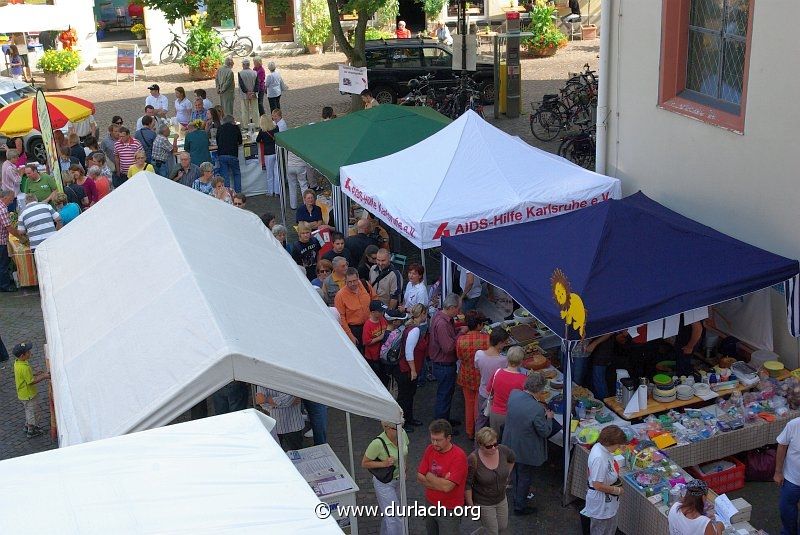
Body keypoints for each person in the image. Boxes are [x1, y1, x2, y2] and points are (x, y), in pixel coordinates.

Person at [502, 372, 554, 516]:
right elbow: (545, 432)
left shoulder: (514, 394)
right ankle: (520, 506)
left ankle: (516, 496)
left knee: (516, 473)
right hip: (525, 448)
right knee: (524, 476)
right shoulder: (537, 409)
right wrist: (548, 418)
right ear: (539, 390)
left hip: (510, 441)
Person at [417, 419, 468, 534]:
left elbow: (447, 487)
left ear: (448, 438)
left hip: (449, 509)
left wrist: (429, 476)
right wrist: (442, 481)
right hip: (430, 503)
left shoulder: (459, 456)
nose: (434, 443)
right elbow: (419, 477)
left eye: (438, 440)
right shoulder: (430, 449)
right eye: (432, 439)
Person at [362, 421, 409, 535]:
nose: (399, 430)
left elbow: (405, 451)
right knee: (394, 516)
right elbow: (364, 463)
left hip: (399, 480)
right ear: (386, 427)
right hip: (384, 483)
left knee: (390, 514)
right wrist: (383, 463)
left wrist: (404, 468)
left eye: (400, 427)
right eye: (394, 428)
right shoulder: (377, 443)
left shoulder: (402, 433)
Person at [430, 293, 468, 431]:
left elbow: (449, 335)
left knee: (445, 394)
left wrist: (457, 329)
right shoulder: (442, 324)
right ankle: (442, 428)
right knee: (444, 396)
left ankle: (444, 420)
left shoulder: (441, 317)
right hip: (444, 365)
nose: (459, 312)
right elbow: (448, 347)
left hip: (442, 364)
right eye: (458, 309)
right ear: (451, 307)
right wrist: (461, 333)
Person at [466, 427, 515, 535]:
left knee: (502, 527)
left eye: (495, 444)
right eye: (489, 446)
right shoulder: (473, 459)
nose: (493, 448)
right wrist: (471, 505)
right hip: (484, 502)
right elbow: (468, 484)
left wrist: (507, 475)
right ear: (480, 445)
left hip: (501, 498)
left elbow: (512, 459)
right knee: (493, 531)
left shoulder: (502, 450)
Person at [581, 425, 628, 534]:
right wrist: (617, 490)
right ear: (611, 443)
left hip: (606, 501)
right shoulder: (599, 458)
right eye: (618, 444)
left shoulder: (599, 447)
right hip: (602, 504)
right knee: (602, 531)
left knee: (608, 529)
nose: (618, 447)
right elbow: (597, 485)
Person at [456, 311, 489, 440]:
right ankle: (478, 431)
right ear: (479, 325)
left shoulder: (461, 340)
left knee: (469, 404)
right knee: (479, 405)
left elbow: (459, 357)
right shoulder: (486, 339)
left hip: (466, 375)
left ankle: (470, 431)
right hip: (481, 376)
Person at [395, 303, 428, 432]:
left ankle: (409, 419)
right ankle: (402, 423)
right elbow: (409, 352)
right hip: (407, 370)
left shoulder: (410, 327)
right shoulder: (415, 330)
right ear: (423, 314)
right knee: (405, 396)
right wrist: (413, 370)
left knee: (409, 395)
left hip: (406, 368)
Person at [487, 346, 528, 439]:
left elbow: (489, 390)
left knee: (495, 441)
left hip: (496, 414)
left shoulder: (497, 373)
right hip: (513, 416)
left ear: (507, 358)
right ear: (521, 361)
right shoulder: (523, 379)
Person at [475, 329, 511, 431]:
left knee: (481, 421)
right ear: (500, 343)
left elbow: (477, 368)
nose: (505, 345)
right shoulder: (503, 360)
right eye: (505, 343)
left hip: (483, 392)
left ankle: (478, 444)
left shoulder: (479, 354)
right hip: (496, 396)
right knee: (494, 425)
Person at [335, 267, 377, 352]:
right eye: (349, 282)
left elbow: (375, 299)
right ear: (345, 281)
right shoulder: (340, 295)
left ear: (358, 278)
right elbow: (342, 318)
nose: (353, 284)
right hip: (355, 329)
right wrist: (350, 336)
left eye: (354, 280)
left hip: (369, 324)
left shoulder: (365, 285)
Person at [13, 341, 50, 439]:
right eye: (28, 352)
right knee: (33, 412)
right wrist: (44, 376)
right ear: (22, 355)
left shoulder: (18, 363)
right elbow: (31, 381)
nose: (30, 353)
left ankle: (27, 426)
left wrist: (35, 373)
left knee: (29, 411)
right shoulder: (24, 368)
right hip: (29, 395)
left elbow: (25, 376)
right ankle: (31, 430)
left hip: (23, 394)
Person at [255, 386, 305, 451]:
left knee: (297, 456)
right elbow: (262, 403)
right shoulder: (262, 377)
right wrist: (287, 402)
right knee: (275, 456)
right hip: (273, 425)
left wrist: (266, 400)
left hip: (292, 424)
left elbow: (288, 400)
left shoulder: (291, 376)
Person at [776, 415, 800, 535]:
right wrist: (778, 472)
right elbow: (782, 445)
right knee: (786, 511)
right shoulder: (793, 425)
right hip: (792, 480)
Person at [216, 115, 243, 192]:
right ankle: (238, 193)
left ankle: (227, 195)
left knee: (225, 176)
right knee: (236, 174)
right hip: (233, 154)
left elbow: (217, 141)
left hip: (222, 154)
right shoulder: (235, 128)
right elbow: (240, 141)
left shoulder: (220, 128)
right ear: (232, 121)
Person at [0, 189, 19, 292]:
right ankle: (5, 285)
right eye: (11, 200)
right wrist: (20, 237)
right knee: (3, 263)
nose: (11, 202)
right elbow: (9, 227)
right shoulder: (2, 209)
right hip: (1, 241)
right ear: (5, 198)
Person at [256, 113, 280, 196]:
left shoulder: (262, 131)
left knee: (269, 174)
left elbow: (257, 140)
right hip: (276, 152)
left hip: (268, 154)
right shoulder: (276, 128)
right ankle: (277, 191)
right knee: (276, 172)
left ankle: (270, 191)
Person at [238, 59, 259, 127]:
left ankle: (246, 126)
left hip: (244, 95)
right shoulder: (255, 72)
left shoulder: (240, 73)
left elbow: (241, 84)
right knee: (255, 110)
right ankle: (257, 125)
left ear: (244, 65)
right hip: (254, 94)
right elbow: (257, 84)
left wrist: (247, 92)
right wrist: (253, 91)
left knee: (245, 111)